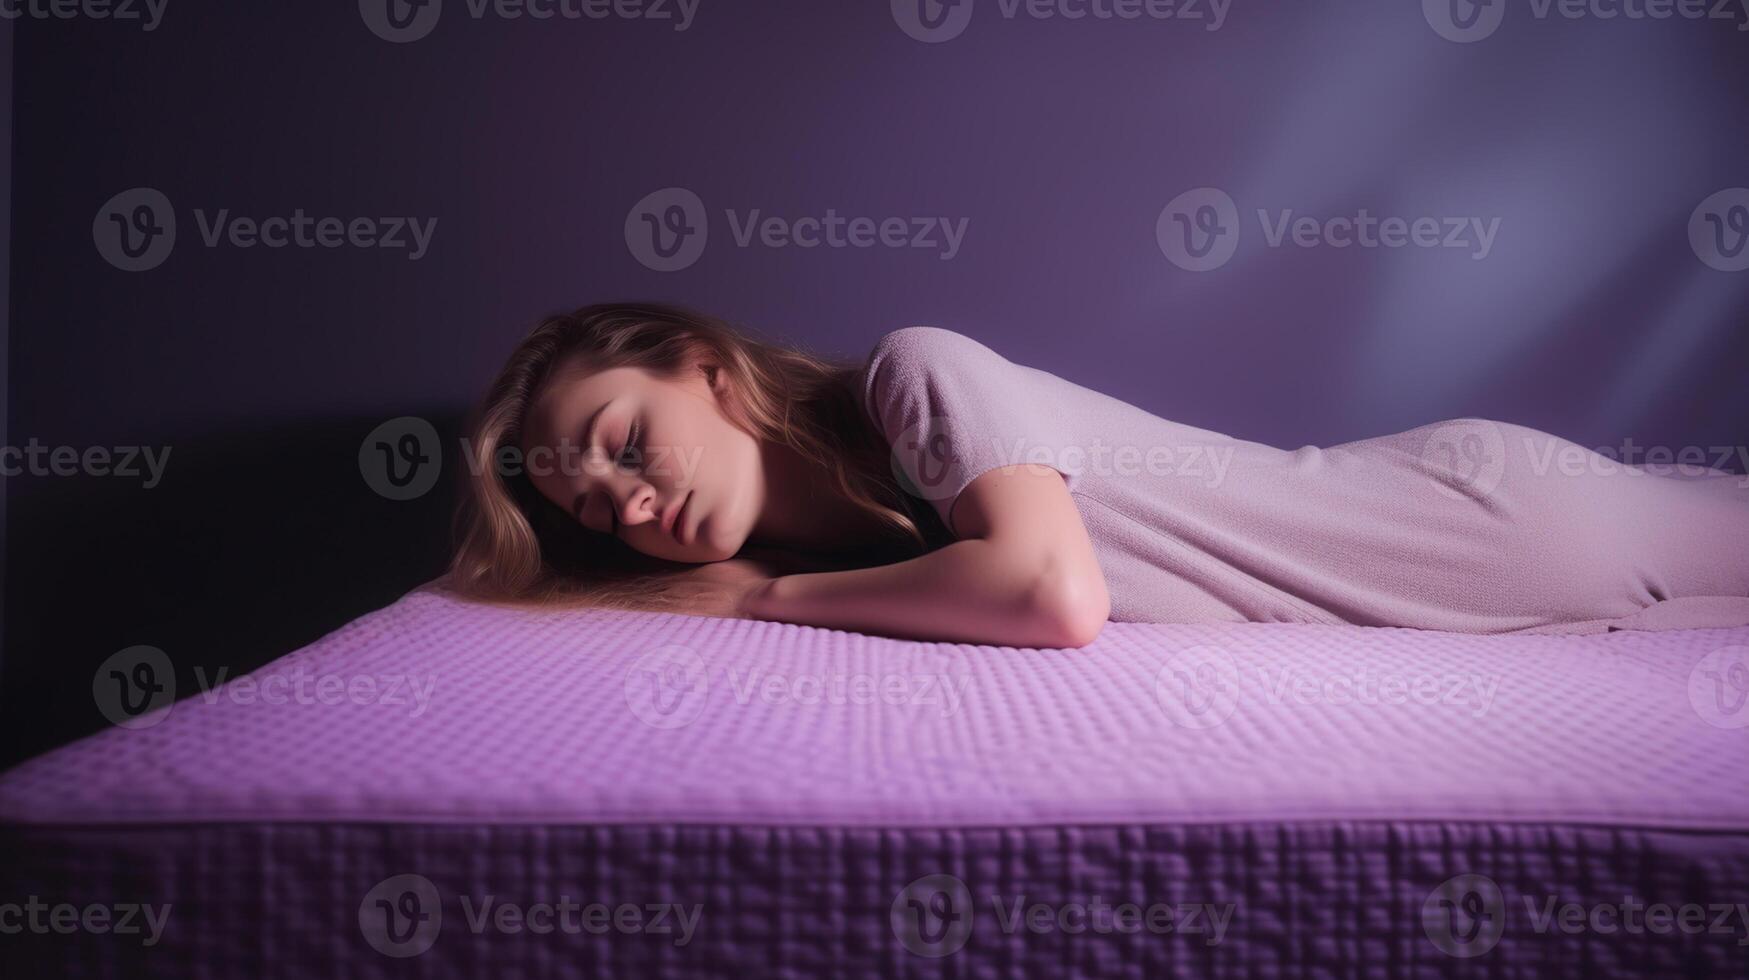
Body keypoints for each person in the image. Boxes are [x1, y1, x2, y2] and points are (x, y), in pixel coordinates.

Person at [446, 302, 1749, 646]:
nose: (623, 502)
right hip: (1491, 582)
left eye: (621, 439)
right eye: (587, 506)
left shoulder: (915, 376)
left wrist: (755, 601)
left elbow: (1048, 596)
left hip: (1478, 516)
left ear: (701, 366)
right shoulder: (849, 555)